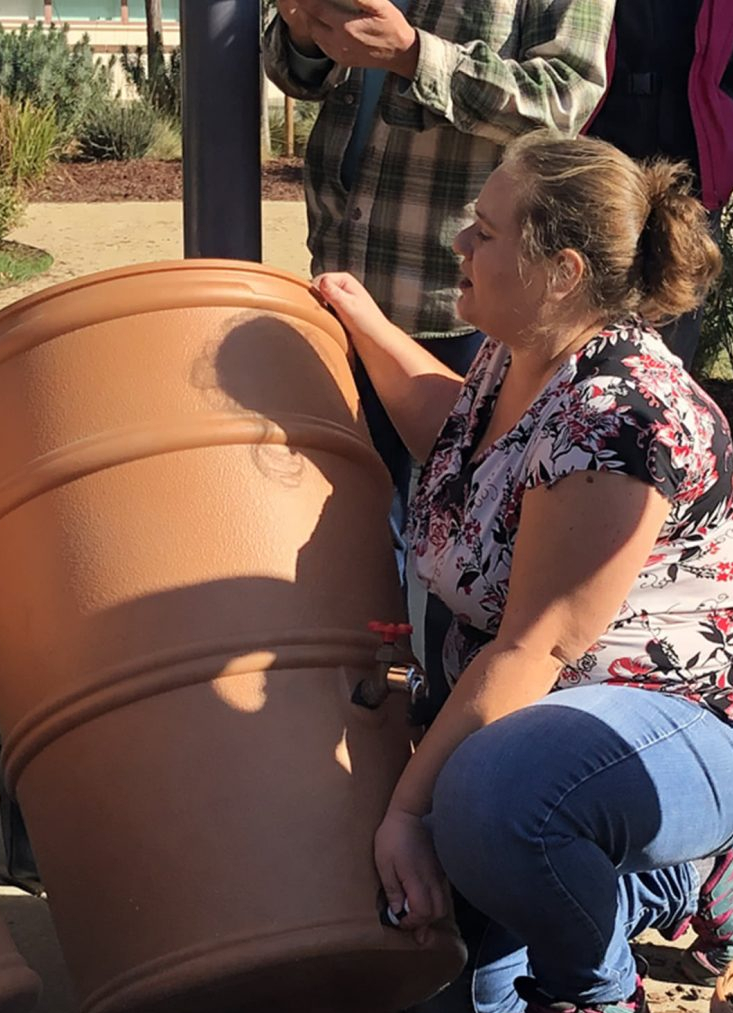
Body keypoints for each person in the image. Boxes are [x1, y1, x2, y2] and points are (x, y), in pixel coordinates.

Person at [316, 132, 733, 1013]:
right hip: (558, 720)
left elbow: (538, 644)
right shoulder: (520, 353)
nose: (462, 242)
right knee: (448, 980)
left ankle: (600, 999)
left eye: (485, 231)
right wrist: (355, 315)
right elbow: (462, 437)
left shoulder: (624, 414)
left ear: (561, 270)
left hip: (691, 716)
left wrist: (410, 808)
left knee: (487, 800)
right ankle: (652, 879)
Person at [263, 0, 612, 715]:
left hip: (468, 305)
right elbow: (298, 77)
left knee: (478, 568)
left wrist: (417, 56)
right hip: (346, 287)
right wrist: (302, 35)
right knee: (347, 546)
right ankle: (362, 742)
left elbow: (563, 103)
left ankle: (452, 748)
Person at [583, 0, 733, 364]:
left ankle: (652, 421)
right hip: (599, 172)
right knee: (583, 324)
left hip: (691, 186)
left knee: (670, 345)